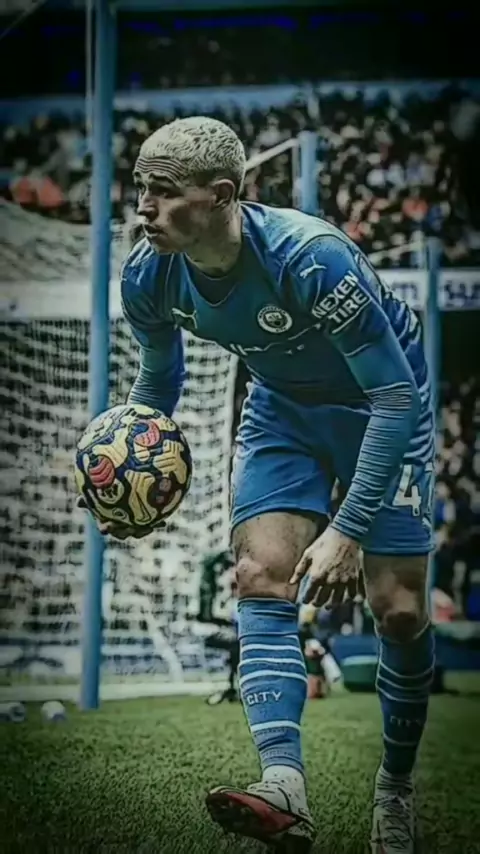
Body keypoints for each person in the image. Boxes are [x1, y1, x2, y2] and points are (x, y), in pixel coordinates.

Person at [101, 117, 436, 853]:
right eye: (140, 189)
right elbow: (159, 383)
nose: (144, 208)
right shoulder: (148, 273)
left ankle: (396, 791)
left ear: (221, 195)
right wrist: (125, 475)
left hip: (380, 408)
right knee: (259, 575)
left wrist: (347, 528)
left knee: (400, 613)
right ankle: (283, 784)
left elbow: (394, 397)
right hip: (281, 409)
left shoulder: (311, 258)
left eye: (164, 192)